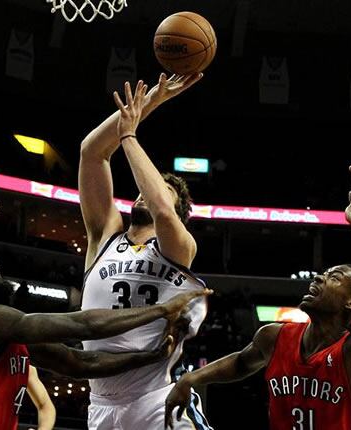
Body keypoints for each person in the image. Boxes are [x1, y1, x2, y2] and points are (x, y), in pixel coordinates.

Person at [165, 166, 351, 430]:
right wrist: (190, 379)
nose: (318, 278)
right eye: (322, 274)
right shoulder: (275, 337)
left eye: (334, 278)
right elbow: (241, 362)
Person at [0, 252, 210, 430]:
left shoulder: (2, 331)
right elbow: (82, 325)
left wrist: (148, 358)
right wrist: (162, 309)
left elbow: (77, 362)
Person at [79, 74, 211, 429]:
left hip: (154, 400)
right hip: (100, 402)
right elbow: (92, 152)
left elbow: (164, 212)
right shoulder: (104, 236)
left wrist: (129, 136)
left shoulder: (179, 246)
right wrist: (146, 104)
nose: (144, 191)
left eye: (163, 189)